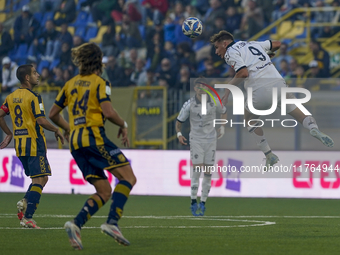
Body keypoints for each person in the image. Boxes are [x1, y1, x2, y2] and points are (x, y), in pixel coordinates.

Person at [49, 42, 137, 249]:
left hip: (76, 144)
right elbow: (108, 112)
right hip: (94, 138)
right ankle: (112, 222)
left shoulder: (69, 84)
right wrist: (123, 124)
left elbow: (53, 114)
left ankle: (76, 224)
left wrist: (69, 127)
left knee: (104, 191)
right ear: (99, 61)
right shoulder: (100, 82)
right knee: (128, 177)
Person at [210, 30, 334, 169]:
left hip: (259, 89)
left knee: (250, 120)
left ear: (225, 43)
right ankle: (313, 128)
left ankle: (269, 154)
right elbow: (277, 44)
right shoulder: (253, 44)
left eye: (217, 47)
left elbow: (243, 73)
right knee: (299, 113)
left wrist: (227, 91)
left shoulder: (230, 52)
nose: (216, 51)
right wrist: (267, 54)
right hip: (278, 83)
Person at [0, 64, 64, 228]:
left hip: (20, 146)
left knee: (42, 178)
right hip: (35, 144)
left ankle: (25, 202)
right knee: (39, 180)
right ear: (27, 77)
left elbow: (0, 115)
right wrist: (57, 129)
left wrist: (9, 134)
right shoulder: (34, 97)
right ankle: (27, 217)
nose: (38, 75)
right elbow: (41, 120)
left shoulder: (11, 97)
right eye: (35, 73)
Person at [176, 77, 227, 216]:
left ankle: (203, 202)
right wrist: (179, 134)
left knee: (209, 172)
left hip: (211, 139)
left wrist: (222, 126)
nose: (201, 89)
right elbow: (179, 120)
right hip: (196, 139)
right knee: (197, 168)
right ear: (195, 88)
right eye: (198, 86)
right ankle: (193, 201)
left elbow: (223, 110)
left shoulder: (214, 101)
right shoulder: (189, 104)